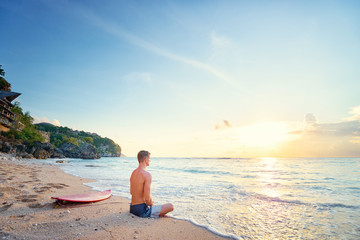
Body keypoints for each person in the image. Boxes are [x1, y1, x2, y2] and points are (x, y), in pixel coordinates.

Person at [129, 150, 174, 218]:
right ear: (146, 159)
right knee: (170, 206)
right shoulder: (147, 175)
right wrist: (152, 205)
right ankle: (154, 213)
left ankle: (155, 212)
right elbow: (147, 199)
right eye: (149, 159)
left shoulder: (133, 173)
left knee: (156, 207)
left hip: (132, 208)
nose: (150, 161)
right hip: (141, 211)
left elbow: (132, 192)